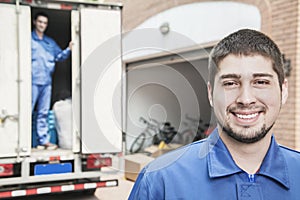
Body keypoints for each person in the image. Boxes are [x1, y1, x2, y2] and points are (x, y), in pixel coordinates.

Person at [128, 29, 300, 199]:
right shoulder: (159, 180)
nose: (245, 99)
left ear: (283, 90)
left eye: (261, 82)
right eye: (231, 83)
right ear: (210, 93)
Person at [32, 12, 72, 150]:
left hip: (46, 82)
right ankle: (26, 141)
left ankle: (43, 141)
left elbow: (60, 56)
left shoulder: (50, 43)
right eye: (40, 22)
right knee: (28, 111)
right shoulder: (28, 40)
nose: (42, 25)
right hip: (31, 82)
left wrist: (69, 49)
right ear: (34, 22)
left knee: (43, 112)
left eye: (44, 23)